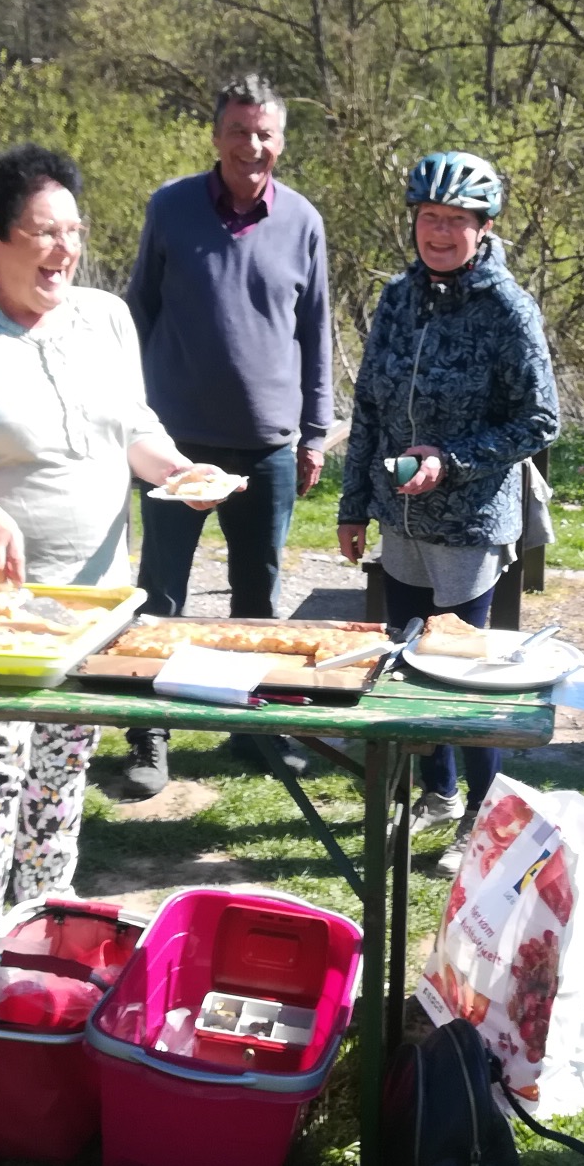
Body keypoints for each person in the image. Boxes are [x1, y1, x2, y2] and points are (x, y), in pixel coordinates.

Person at [0, 143, 225, 944]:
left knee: (64, 766)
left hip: (93, 599)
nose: (64, 249)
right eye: (42, 232)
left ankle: (46, 922)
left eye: (74, 229)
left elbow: (132, 427)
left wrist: (178, 470)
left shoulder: (105, 317)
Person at [336, 151, 560, 876]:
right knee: (407, 656)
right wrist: (353, 505)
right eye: (429, 218)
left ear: (484, 227)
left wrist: (452, 459)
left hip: (468, 520)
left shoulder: (506, 309)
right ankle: (436, 790)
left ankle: (485, 811)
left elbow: (540, 421)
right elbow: (369, 403)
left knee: (460, 670)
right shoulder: (399, 297)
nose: (439, 232)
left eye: (455, 221)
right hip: (400, 518)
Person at [121, 73, 334, 798]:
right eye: (240, 131)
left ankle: (253, 730)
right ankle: (149, 737)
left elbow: (317, 330)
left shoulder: (303, 221)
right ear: (216, 136)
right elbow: (137, 312)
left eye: (265, 133)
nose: (253, 146)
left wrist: (313, 433)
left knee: (257, 596)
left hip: (270, 442)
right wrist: (130, 412)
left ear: (281, 140)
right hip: (175, 444)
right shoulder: (171, 208)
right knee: (160, 595)